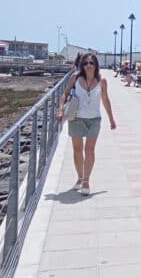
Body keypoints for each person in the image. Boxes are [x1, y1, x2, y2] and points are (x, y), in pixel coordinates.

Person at [56, 53, 116, 196]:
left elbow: (106, 100)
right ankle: (80, 177)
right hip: (76, 118)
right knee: (77, 150)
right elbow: (64, 94)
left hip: (94, 119)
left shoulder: (102, 81)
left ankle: (86, 180)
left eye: (91, 63)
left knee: (90, 150)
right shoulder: (75, 78)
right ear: (82, 65)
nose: (88, 66)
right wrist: (60, 109)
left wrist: (111, 119)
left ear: (96, 65)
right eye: (86, 63)